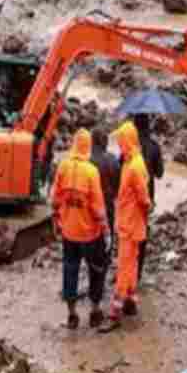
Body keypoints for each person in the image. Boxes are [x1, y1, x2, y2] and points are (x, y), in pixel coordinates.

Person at [52, 127, 109, 329]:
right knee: (96, 270)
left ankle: (72, 314)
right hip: (90, 234)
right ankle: (94, 310)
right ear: (88, 147)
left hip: (69, 233)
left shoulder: (63, 167)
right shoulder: (91, 172)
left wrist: (58, 221)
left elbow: (55, 199)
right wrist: (105, 229)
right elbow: (97, 206)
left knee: (70, 271)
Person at [107, 119, 152, 324]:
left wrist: (143, 209)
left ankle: (116, 309)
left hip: (130, 223)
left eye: (120, 142)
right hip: (131, 221)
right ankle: (131, 300)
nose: (119, 146)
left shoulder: (133, 167)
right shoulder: (132, 162)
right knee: (131, 263)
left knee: (124, 266)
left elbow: (144, 199)